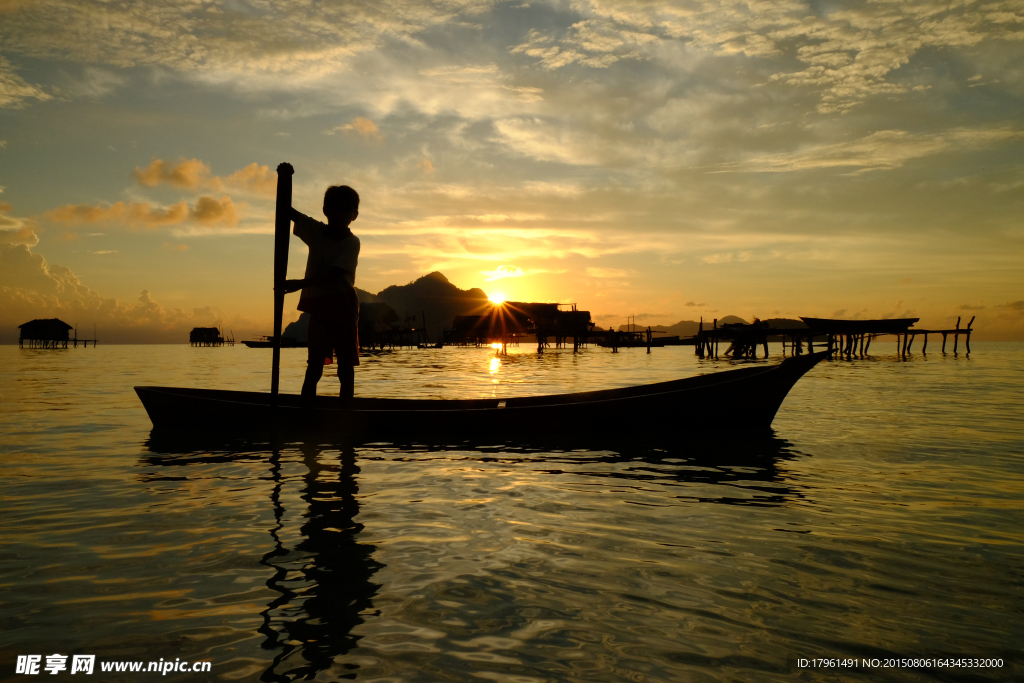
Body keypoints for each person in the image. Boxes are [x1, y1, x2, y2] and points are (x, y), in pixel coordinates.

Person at [282, 185, 361, 406]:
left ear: (354, 215)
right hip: (320, 307)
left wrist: (300, 284)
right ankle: (306, 411)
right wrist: (284, 178)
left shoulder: (351, 242)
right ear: (326, 210)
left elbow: (334, 275)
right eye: (336, 209)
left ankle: (345, 412)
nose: (340, 214)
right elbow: (291, 213)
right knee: (314, 364)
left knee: (344, 367)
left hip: (343, 307)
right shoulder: (316, 232)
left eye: (346, 210)